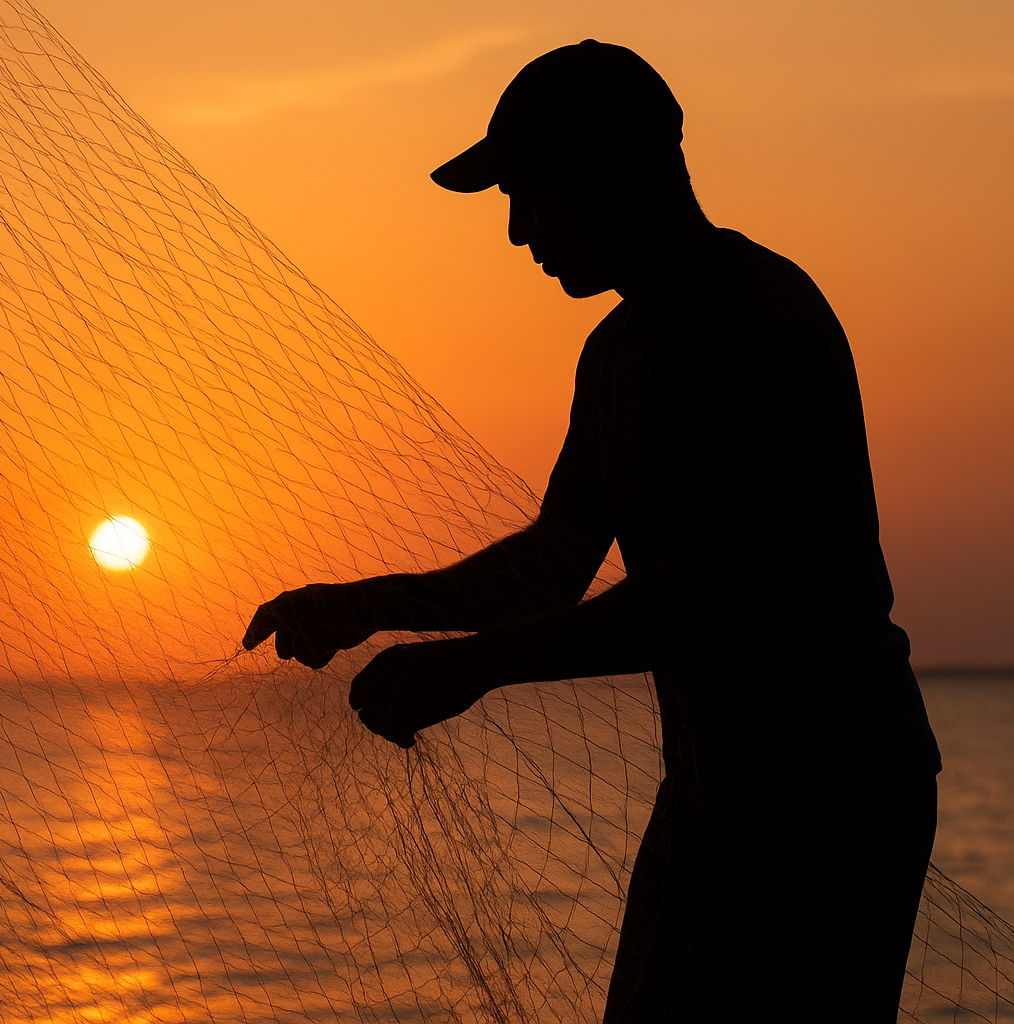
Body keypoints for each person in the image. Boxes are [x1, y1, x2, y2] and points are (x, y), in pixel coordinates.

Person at [241, 40, 942, 1023]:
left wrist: (474, 666)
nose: (517, 231)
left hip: (833, 793)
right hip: (711, 788)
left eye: (529, 193)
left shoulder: (758, 316)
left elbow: (722, 587)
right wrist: (365, 606)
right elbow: (556, 559)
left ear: (614, 169)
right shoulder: (614, 351)